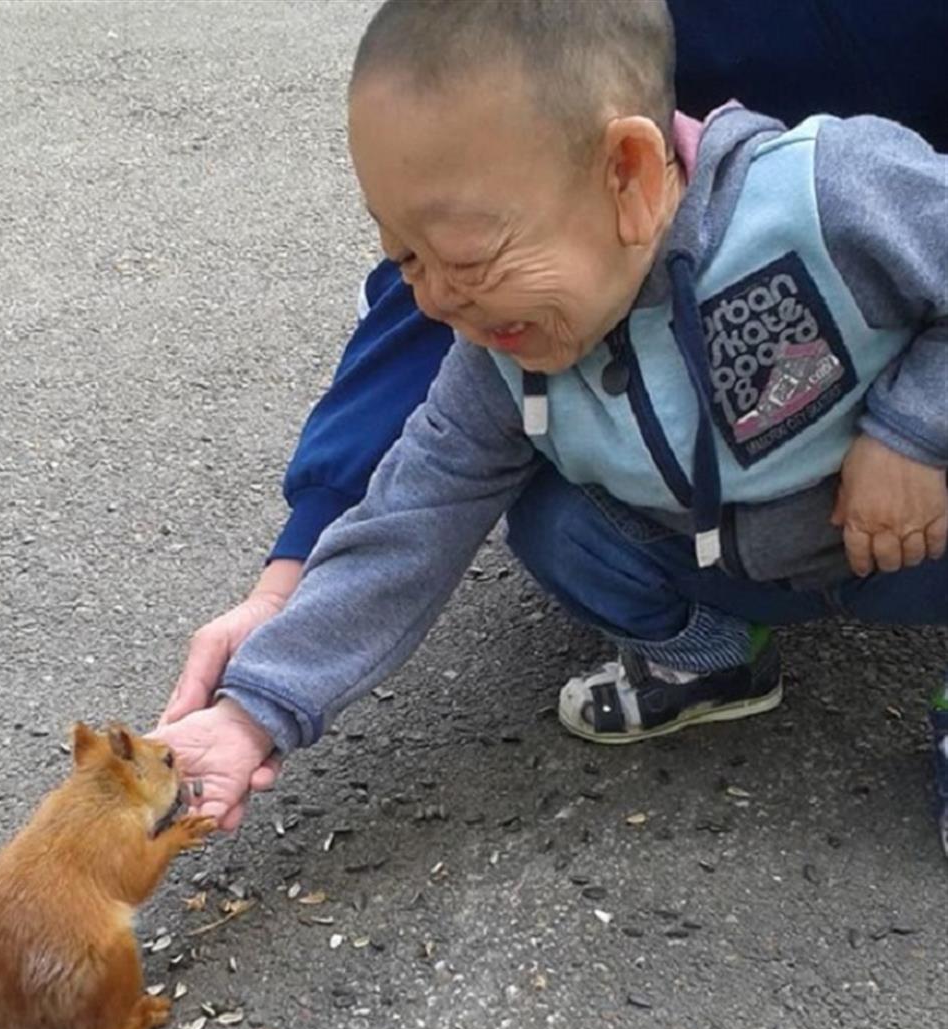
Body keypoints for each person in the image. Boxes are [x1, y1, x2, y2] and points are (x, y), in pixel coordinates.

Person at [154, 0, 947, 840]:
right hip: (729, 559)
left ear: (631, 176)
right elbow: (409, 518)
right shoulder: (502, 346)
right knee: (548, 522)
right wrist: (256, 708)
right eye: (404, 259)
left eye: (462, 257)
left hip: (911, 539)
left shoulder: (825, 195)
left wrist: (913, 431)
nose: (433, 298)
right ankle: (716, 660)